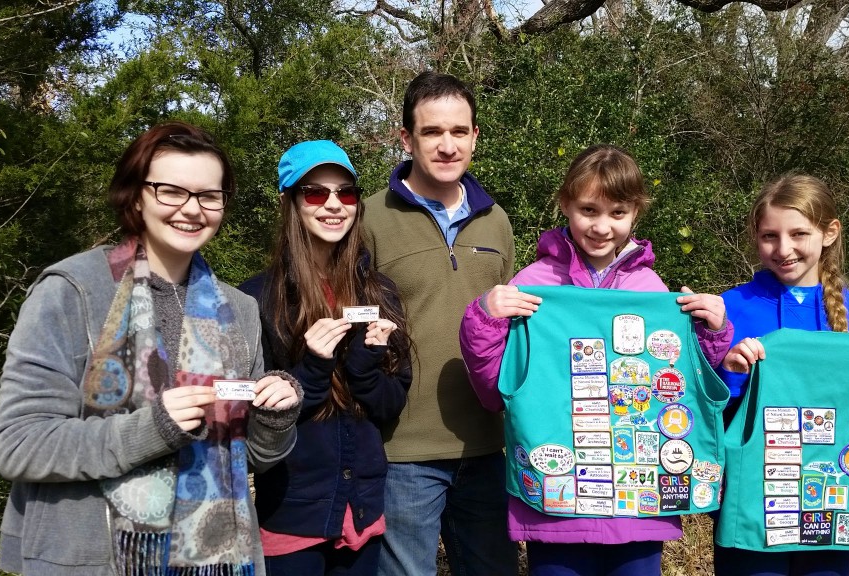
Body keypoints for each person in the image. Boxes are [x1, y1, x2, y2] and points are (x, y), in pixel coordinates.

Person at [0, 121, 302, 576]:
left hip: (216, 558)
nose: (192, 210)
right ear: (136, 195)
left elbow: (247, 458)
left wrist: (275, 420)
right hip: (89, 559)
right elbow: (20, 445)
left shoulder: (239, 310)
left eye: (209, 196)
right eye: (171, 191)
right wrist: (154, 429)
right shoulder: (73, 291)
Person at [458, 144, 734, 576]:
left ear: (636, 214)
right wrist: (485, 320)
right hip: (555, 504)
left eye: (617, 213)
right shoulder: (533, 284)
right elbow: (495, 388)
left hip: (640, 508)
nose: (602, 226)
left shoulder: (652, 288)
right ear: (565, 204)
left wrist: (712, 332)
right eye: (589, 209)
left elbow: (684, 384)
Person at [713, 173, 849, 576]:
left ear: (829, 233)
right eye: (769, 236)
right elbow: (704, 403)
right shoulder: (731, 308)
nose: (783, 248)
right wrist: (730, 370)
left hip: (833, 501)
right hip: (751, 498)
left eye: (798, 234)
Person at [362, 71, 519, 576]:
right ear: (406, 138)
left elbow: (514, 332)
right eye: (432, 132)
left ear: (475, 136)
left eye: (459, 132)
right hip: (404, 449)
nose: (447, 145)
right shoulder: (369, 219)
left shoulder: (496, 220)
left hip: (489, 443)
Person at [239, 140, 412, 575]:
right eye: (315, 192)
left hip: (364, 512)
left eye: (346, 192)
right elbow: (255, 420)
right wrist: (313, 367)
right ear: (290, 201)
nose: (334, 204)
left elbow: (390, 405)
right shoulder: (256, 298)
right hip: (292, 513)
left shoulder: (380, 291)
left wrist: (362, 365)